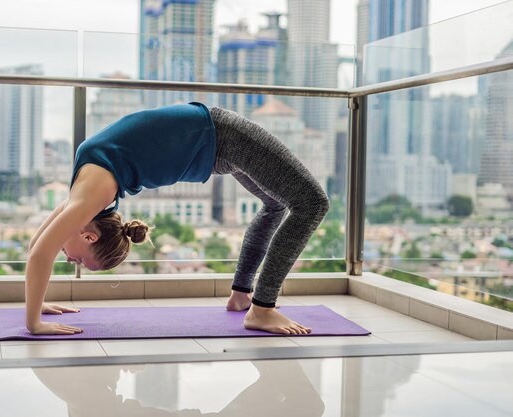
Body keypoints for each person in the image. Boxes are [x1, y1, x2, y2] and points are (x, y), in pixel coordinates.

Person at [25, 102, 329, 336]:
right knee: (275, 204)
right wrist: (37, 307)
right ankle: (241, 296)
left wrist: (33, 323)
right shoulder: (86, 196)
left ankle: (261, 309)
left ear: (89, 237)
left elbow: (41, 254)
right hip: (213, 148)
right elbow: (37, 245)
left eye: (78, 262)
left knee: (312, 203)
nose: (69, 259)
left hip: (223, 134)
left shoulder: (91, 195)